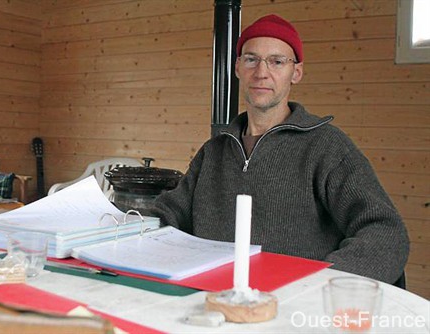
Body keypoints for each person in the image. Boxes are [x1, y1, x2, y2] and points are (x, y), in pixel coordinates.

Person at [152, 14, 409, 285]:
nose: (261, 72)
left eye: (276, 61)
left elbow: (385, 231)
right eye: (251, 59)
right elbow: (168, 215)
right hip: (212, 299)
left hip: (293, 307)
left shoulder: (327, 147)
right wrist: (119, 230)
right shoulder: (214, 151)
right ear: (238, 67)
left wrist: (318, 285)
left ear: (295, 73)